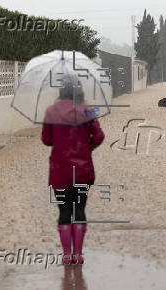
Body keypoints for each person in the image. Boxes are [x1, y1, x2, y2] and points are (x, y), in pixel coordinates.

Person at [41, 83, 105, 265]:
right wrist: (87, 148)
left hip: (60, 171)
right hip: (83, 171)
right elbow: (99, 137)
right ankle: (78, 254)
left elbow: (46, 140)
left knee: (64, 211)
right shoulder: (87, 111)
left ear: (61, 93)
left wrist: (59, 142)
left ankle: (67, 256)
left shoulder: (52, 111)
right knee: (79, 210)